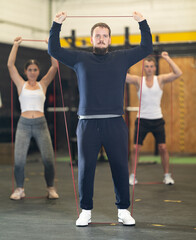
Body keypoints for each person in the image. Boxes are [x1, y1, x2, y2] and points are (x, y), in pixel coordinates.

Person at [48, 11, 153, 227]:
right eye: (98, 35)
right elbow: (54, 49)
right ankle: (85, 211)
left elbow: (146, 48)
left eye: (105, 35)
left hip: (115, 122)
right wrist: (56, 25)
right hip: (87, 123)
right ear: (92, 39)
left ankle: (123, 210)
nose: (102, 39)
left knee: (120, 168)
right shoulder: (80, 58)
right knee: (86, 169)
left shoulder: (122, 57)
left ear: (110, 39)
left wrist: (142, 23)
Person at [7, 37, 59, 200]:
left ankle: (50, 188)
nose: (32, 72)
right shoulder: (20, 84)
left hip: (40, 125)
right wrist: (15, 45)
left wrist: (50, 47)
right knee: (19, 160)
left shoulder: (43, 84)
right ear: (25, 71)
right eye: (30, 69)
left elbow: (55, 66)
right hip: (24, 125)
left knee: (49, 159)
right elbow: (10, 65)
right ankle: (20, 189)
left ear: (38, 71)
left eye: (35, 69)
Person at [126, 52, 182, 185]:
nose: (149, 68)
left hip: (157, 119)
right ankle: (132, 175)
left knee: (163, 147)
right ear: (143, 68)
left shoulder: (160, 79)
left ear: (155, 68)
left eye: (151, 66)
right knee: (136, 148)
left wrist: (167, 58)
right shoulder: (138, 80)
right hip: (142, 120)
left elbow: (178, 73)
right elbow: (120, 76)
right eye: (147, 66)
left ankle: (167, 175)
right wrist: (126, 59)